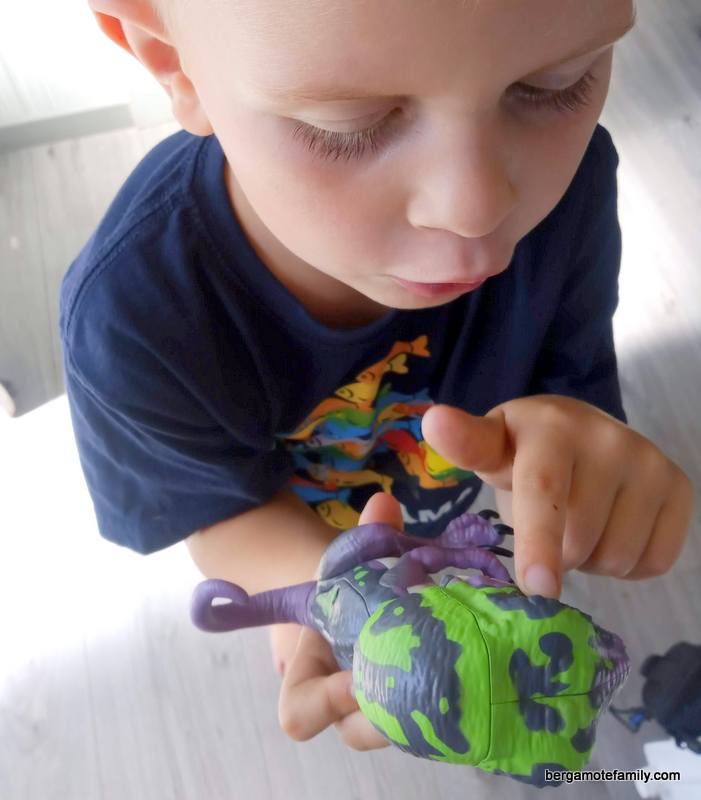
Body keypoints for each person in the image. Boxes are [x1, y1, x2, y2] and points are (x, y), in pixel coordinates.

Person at [62, 0, 694, 751]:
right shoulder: (133, 315)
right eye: (347, 124)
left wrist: (574, 457)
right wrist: (337, 597)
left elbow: (566, 377)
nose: (474, 209)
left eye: (556, 84)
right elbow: (215, 507)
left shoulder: (573, 187)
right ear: (170, 58)